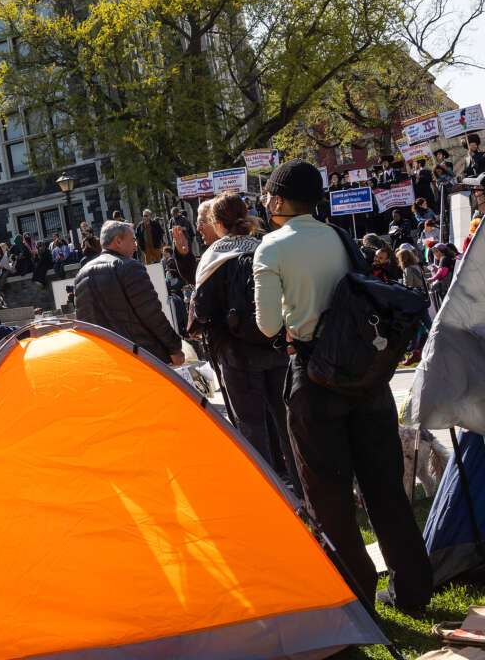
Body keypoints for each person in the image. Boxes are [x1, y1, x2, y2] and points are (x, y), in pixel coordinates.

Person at [252, 159, 432, 614]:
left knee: (329, 498)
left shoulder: (270, 248)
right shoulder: (340, 236)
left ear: (277, 199)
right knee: (385, 488)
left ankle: (357, 602)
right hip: (363, 373)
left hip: (312, 376)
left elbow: (268, 324)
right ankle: (413, 590)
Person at [185, 193, 296, 489]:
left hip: (236, 356)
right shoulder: (264, 249)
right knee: (287, 424)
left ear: (217, 223)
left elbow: (202, 311)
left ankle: (270, 492)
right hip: (274, 347)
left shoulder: (212, 259)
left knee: (251, 427)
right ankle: (304, 489)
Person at [74, 220, 184, 366]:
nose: (135, 246)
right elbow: (152, 314)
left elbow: (84, 326)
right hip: (141, 357)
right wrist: (175, 348)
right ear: (118, 241)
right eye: (132, 240)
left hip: (106, 361)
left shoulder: (81, 275)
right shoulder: (129, 266)